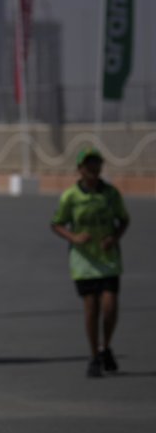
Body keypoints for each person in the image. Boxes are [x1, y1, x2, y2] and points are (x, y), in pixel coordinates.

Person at [50, 147, 130, 378]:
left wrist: (114, 238)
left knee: (109, 306)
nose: (93, 170)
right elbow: (56, 223)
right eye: (88, 166)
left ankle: (106, 346)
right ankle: (94, 354)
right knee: (91, 308)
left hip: (108, 259)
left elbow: (124, 219)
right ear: (80, 170)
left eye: (96, 165)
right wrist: (74, 238)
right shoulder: (71, 197)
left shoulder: (111, 194)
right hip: (83, 261)